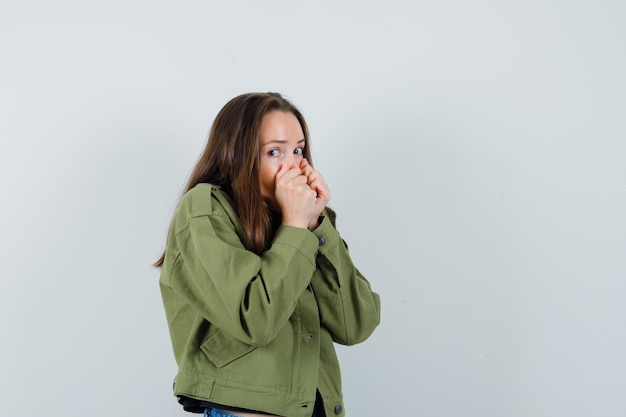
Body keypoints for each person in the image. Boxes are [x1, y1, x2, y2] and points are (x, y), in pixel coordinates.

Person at [155, 92, 381, 417]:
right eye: (274, 151)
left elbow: (356, 324)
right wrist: (295, 225)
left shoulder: (303, 222)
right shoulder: (206, 207)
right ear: (237, 155)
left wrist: (317, 224)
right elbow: (255, 320)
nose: (294, 165)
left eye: (299, 150)